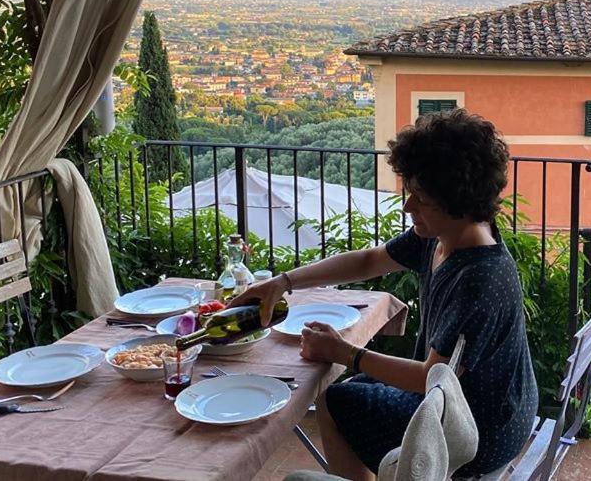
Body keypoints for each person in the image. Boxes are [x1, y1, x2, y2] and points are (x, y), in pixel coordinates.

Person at [230, 109, 538, 480]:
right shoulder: (445, 236)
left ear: (458, 199)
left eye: (420, 198)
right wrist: (283, 282)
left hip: (477, 431)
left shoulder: (478, 280)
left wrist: (342, 352)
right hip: (481, 404)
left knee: (336, 400)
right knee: (350, 389)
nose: (408, 206)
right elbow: (368, 261)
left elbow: (428, 378)